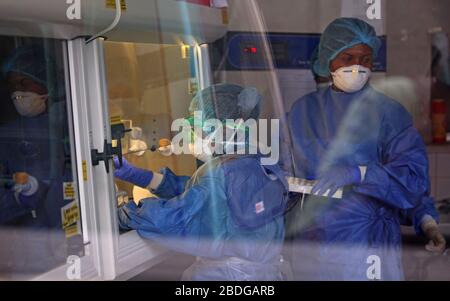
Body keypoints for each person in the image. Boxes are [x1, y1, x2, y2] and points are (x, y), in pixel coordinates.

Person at [282, 18, 430, 280]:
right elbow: (283, 174)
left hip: (369, 246)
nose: (357, 67)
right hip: (313, 245)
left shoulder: (389, 114)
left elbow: (413, 181)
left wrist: (360, 173)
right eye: (347, 58)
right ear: (329, 61)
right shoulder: (302, 112)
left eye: (365, 59)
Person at [115, 83, 289, 281]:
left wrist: (126, 213)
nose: (193, 135)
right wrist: (143, 177)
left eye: (198, 128)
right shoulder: (255, 162)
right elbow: (207, 196)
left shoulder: (222, 176)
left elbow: (174, 219)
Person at [0, 44, 74, 276]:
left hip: (75, 243)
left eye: (24, 83)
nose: (17, 93)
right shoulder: (7, 136)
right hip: (31, 256)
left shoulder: (73, 121)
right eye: (12, 86)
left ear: (44, 79)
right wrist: (20, 197)